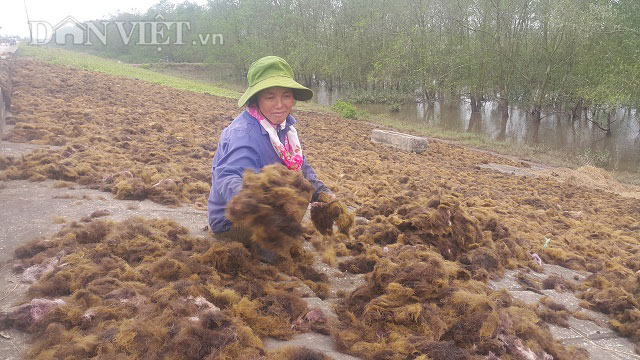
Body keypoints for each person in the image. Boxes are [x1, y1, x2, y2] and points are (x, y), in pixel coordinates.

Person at [207, 56, 334, 243]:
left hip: (264, 212)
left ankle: (277, 237)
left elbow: (302, 169)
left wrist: (325, 195)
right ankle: (270, 248)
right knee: (294, 193)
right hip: (232, 222)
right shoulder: (244, 134)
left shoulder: (284, 128)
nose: (280, 105)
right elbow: (227, 178)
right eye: (270, 97)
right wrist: (258, 205)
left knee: (301, 185)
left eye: (286, 96)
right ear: (256, 99)